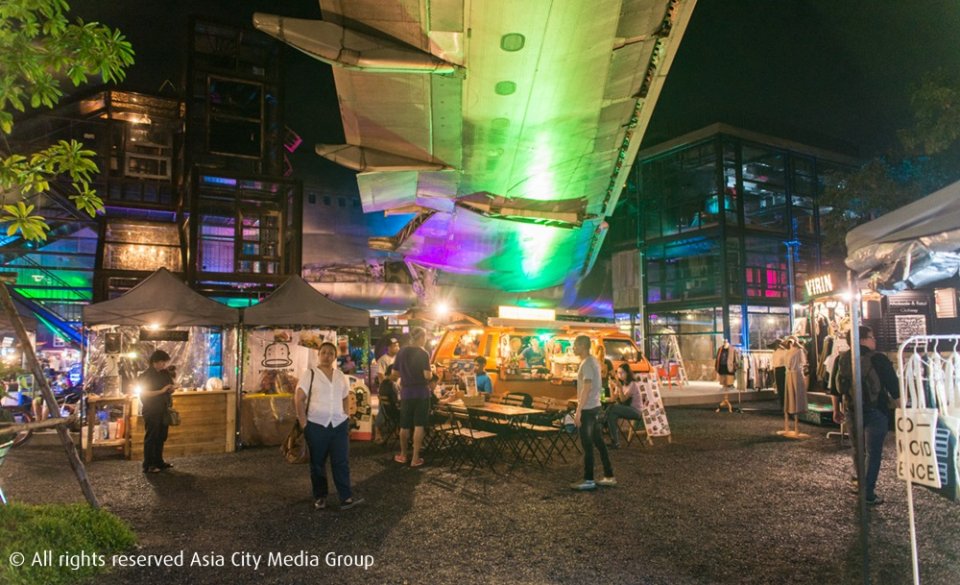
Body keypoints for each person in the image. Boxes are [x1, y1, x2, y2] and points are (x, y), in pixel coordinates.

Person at [833, 326, 899, 506]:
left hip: (851, 409)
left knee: (857, 449)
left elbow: (834, 388)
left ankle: (860, 483)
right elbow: (894, 386)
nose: (874, 340)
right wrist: (901, 410)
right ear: (861, 339)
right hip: (876, 410)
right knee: (873, 452)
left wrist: (836, 410)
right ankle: (868, 491)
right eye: (872, 337)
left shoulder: (841, 358)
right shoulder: (879, 359)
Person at [296, 341, 363, 511]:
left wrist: (346, 415)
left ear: (335, 357)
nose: (327, 356)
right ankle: (320, 497)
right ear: (318, 355)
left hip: (339, 424)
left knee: (341, 462)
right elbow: (299, 398)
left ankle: (346, 497)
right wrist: (304, 424)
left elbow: (345, 397)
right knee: (317, 463)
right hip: (317, 425)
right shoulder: (310, 374)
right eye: (324, 352)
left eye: (330, 353)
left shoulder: (340, 375)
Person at [570, 335, 616, 490]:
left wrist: (578, 410)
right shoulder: (593, 361)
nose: (573, 348)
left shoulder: (587, 364)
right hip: (595, 406)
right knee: (599, 443)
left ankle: (588, 479)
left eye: (575, 345)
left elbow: (587, 387)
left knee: (587, 444)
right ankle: (609, 475)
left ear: (583, 346)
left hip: (588, 409)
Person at [394, 326, 432, 468]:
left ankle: (403, 455)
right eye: (425, 337)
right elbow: (427, 375)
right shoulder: (423, 353)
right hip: (421, 393)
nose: (425, 340)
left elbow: (395, 373)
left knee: (404, 426)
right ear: (421, 338)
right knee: (419, 425)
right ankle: (415, 458)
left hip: (406, 393)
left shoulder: (401, 352)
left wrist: (406, 374)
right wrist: (432, 372)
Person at [138, 350, 176, 473]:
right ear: (155, 362)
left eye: (165, 362)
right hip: (151, 409)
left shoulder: (165, 373)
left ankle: (159, 461)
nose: (164, 365)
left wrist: (171, 389)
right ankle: (148, 464)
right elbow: (144, 393)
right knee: (152, 437)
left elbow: (170, 386)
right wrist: (162, 391)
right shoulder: (146, 375)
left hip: (164, 408)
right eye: (162, 362)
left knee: (161, 436)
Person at [604, 363, 644, 449]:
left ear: (627, 373)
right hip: (626, 409)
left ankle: (602, 420)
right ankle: (615, 442)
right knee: (611, 415)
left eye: (622, 373)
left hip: (635, 411)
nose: (619, 375)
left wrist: (619, 388)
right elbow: (613, 399)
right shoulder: (621, 384)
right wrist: (611, 387)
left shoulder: (632, 384)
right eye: (618, 373)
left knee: (612, 408)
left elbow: (623, 400)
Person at [373, 364, 400, 444]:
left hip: (388, 413)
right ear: (392, 372)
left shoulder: (383, 384)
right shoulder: (392, 385)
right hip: (395, 414)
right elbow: (397, 401)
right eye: (397, 374)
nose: (399, 376)